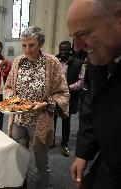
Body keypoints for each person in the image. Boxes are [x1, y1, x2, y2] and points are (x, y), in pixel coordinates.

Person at [4, 26, 69, 189]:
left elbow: (63, 91)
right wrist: (12, 99)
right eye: (24, 45)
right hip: (18, 119)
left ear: (40, 44)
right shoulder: (18, 61)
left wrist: (46, 103)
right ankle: (20, 184)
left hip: (39, 120)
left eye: (31, 45)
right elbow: (8, 87)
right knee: (19, 158)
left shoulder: (51, 62)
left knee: (42, 163)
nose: (27, 50)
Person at [67, 0, 121, 189]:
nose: (77, 47)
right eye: (74, 37)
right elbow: (93, 105)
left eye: (82, 34)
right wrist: (83, 152)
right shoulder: (100, 58)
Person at [52, 41, 85, 157]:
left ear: (70, 50)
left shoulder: (78, 63)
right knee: (53, 119)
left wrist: (66, 88)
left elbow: (80, 82)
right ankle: (51, 141)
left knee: (66, 121)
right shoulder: (54, 60)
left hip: (69, 96)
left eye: (65, 50)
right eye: (61, 50)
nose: (62, 52)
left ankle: (64, 144)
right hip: (55, 95)